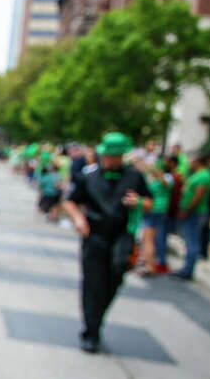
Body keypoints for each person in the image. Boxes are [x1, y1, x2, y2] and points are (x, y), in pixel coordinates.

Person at [62, 132, 152, 353]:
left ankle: (97, 318)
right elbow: (70, 202)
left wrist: (139, 202)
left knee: (113, 281)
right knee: (92, 284)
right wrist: (79, 219)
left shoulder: (134, 177)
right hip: (94, 236)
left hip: (122, 236)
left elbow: (150, 202)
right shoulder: (88, 176)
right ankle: (91, 331)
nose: (111, 160)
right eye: (108, 156)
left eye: (116, 156)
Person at [175, 153, 210, 280]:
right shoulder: (200, 174)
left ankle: (188, 270)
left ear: (198, 162)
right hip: (194, 212)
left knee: (192, 241)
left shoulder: (204, 175)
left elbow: (198, 195)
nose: (191, 163)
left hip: (195, 213)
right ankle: (187, 268)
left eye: (192, 161)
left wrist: (187, 209)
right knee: (190, 241)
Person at [138, 155, 176, 276]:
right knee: (147, 238)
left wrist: (155, 170)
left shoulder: (166, 178)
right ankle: (146, 261)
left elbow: (165, 183)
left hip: (156, 210)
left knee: (149, 239)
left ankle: (150, 265)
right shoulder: (152, 179)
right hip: (151, 209)